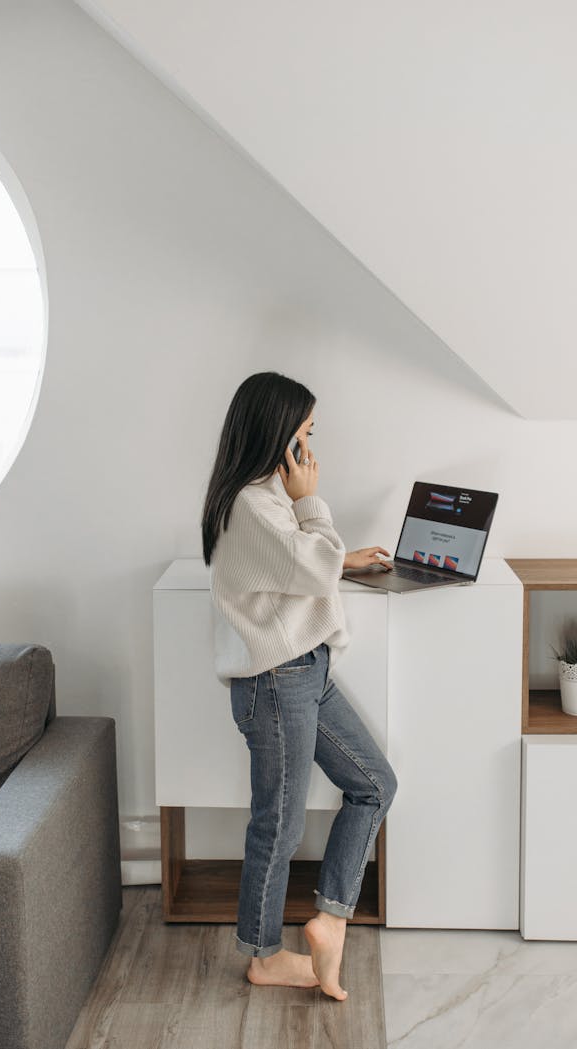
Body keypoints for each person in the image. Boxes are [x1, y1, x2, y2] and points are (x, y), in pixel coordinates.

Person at [201, 371, 398, 1002]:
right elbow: (305, 563)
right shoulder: (257, 503)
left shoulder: (260, 496)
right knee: (278, 826)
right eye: (305, 432)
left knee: (373, 785)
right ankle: (262, 956)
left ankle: (330, 919)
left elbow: (297, 564)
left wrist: (342, 558)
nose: (311, 446)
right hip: (277, 681)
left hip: (305, 670)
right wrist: (312, 503)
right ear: (278, 434)